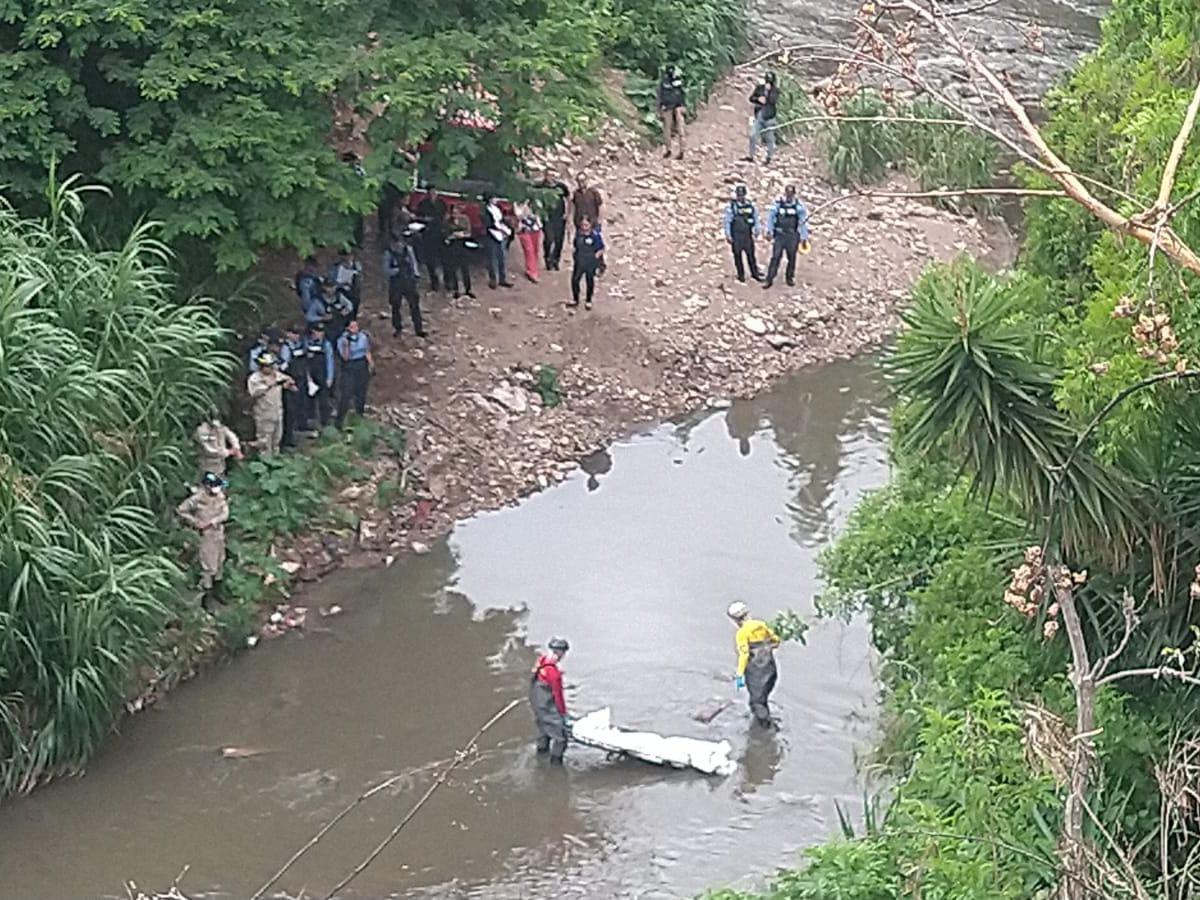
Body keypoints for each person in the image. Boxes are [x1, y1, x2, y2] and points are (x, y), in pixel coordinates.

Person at [176, 472, 230, 609]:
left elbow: (225, 513)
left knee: (220, 561)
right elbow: (181, 510)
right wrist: (195, 522)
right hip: (206, 536)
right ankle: (207, 597)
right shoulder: (197, 499)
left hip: (218, 533)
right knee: (208, 566)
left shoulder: (220, 497)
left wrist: (213, 521)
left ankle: (218, 590)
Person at [727, 601, 781, 728]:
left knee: (756, 702)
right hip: (771, 668)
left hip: (756, 672)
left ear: (735, 619)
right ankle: (765, 722)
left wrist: (739, 674)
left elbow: (744, 654)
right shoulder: (761, 625)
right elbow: (776, 641)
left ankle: (768, 731)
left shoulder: (742, 633)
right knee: (763, 698)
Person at [530, 637, 571, 764]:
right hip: (548, 707)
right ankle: (556, 765)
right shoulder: (554, 673)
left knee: (544, 731)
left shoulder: (541, 662)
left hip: (538, 705)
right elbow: (558, 696)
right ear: (560, 652)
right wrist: (563, 714)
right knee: (561, 738)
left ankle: (540, 756)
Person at [246, 352, 295, 456]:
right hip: (263, 414)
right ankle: (265, 463)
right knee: (264, 443)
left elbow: (289, 381)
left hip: (277, 413)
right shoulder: (254, 378)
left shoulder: (277, 375)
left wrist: (288, 383)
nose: (270, 368)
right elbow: (254, 393)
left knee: (276, 440)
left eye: (271, 365)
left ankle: (276, 461)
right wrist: (268, 385)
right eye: (267, 366)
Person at [763, 184, 810, 290]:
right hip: (780, 235)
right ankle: (769, 279)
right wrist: (769, 231)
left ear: (794, 194)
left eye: (791, 195)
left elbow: (803, 222)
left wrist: (804, 237)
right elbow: (771, 217)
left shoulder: (799, 207)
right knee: (775, 257)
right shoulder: (778, 205)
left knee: (792, 257)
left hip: (792, 235)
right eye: (787, 194)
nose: (789, 197)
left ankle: (790, 277)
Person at [383, 231, 425, 337]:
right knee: (395, 306)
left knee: (414, 305)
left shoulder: (408, 250)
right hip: (396, 282)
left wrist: (416, 274)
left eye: (400, 242)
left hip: (409, 280)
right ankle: (398, 328)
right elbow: (385, 269)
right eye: (396, 243)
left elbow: (413, 262)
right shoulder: (388, 254)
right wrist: (397, 271)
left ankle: (418, 328)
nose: (398, 245)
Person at [336, 318, 374, 427]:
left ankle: (359, 416)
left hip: (361, 364)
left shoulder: (362, 337)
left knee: (361, 392)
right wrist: (347, 344)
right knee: (346, 393)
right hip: (350, 366)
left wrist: (371, 364)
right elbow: (345, 357)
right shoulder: (342, 340)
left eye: (356, 326)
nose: (355, 329)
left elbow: (367, 351)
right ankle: (340, 420)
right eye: (352, 327)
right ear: (347, 328)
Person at [723, 184, 763, 283]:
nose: (740, 197)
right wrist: (728, 234)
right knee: (737, 256)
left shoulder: (750, 205)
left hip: (747, 234)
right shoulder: (732, 207)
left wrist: (757, 230)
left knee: (751, 255)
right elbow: (727, 221)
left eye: (742, 195)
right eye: (739, 195)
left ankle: (755, 274)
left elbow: (755, 218)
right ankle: (741, 275)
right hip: (736, 235)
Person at [279, 325, 310, 445]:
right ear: (288, 334)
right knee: (290, 410)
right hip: (290, 381)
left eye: (298, 334)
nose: (297, 336)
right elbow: (283, 366)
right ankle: (288, 438)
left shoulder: (301, 345)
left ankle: (298, 428)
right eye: (294, 333)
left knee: (301, 405)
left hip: (301, 379)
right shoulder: (285, 348)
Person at [415, 187, 448, 291]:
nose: (433, 194)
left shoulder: (441, 203)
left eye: (435, 192)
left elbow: (445, 215)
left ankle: (448, 281)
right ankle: (434, 282)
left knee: (444, 259)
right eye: (431, 193)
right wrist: (424, 220)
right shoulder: (423, 204)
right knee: (430, 260)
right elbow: (418, 217)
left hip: (440, 233)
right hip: (428, 234)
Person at [194, 407, 243, 477]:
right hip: (207, 465)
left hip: (220, 465)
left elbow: (230, 435)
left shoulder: (220, 427)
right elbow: (210, 449)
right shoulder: (202, 431)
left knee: (221, 482)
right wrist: (229, 452)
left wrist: (236, 447)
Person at [304, 323, 336, 429]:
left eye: (321, 332)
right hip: (311, 377)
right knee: (309, 401)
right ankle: (310, 422)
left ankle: (324, 422)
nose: (320, 334)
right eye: (317, 332)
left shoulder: (326, 345)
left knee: (324, 400)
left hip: (322, 376)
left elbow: (330, 361)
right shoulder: (307, 343)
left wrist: (330, 377)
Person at [569, 217, 605, 311]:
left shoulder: (595, 235)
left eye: (586, 225)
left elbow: (601, 248)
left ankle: (588, 300)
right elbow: (575, 245)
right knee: (575, 280)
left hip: (590, 262)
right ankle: (575, 299)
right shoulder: (578, 235)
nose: (584, 227)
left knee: (589, 281)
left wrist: (596, 256)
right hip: (579, 261)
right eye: (583, 225)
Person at [746, 72, 781, 165]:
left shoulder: (776, 91)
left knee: (770, 139)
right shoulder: (760, 88)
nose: (768, 83)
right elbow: (751, 98)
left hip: (769, 118)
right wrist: (758, 99)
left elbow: (773, 100)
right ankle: (751, 155)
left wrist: (767, 94)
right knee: (752, 135)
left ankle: (769, 157)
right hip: (759, 116)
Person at [539, 169, 570, 270]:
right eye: (548, 175)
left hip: (560, 216)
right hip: (547, 216)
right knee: (548, 238)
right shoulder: (541, 186)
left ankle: (556, 260)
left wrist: (567, 212)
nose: (550, 177)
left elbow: (568, 198)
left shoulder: (561, 186)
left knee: (559, 240)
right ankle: (547, 258)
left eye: (552, 175)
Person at [443, 207, 477, 299]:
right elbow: (445, 235)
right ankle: (455, 289)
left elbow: (469, 232)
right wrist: (452, 236)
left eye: (456, 213)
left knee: (465, 268)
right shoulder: (447, 221)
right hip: (453, 246)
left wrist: (462, 234)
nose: (455, 215)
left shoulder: (465, 219)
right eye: (453, 213)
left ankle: (468, 289)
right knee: (453, 268)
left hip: (463, 245)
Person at [656, 63, 687, 160]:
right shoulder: (677, 80)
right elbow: (682, 93)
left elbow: (660, 95)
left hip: (669, 106)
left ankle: (670, 150)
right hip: (676, 106)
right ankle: (681, 150)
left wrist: (660, 107)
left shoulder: (664, 82)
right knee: (679, 129)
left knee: (668, 129)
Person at [483, 194, 514, 289]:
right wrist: (500, 229)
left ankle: (502, 278)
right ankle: (493, 279)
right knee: (492, 258)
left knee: (502, 257)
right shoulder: (485, 210)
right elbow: (489, 224)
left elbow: (501, 219)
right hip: (492, 234)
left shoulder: (498, 208)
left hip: (501, 233)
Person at [328, 248, 362, 318]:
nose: (346, 258)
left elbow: (358, 281)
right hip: (340, 292)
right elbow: (331, 281)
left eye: (348, 255)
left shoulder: (357, 266)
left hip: (353, 293)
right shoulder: (335, 268)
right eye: (343, 256)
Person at [515, 200, 542, 283]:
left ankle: (533, 268)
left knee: (535, 250)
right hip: (524, 230)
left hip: (535, 228)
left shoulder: (536, 202)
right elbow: (518, 216)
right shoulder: (518, 204)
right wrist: (525, 206)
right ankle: (532, 272)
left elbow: (540, 210)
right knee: (529, 250)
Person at [295, 256, 324, 322]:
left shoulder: (314, 277)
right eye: (313, 266)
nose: (314, 269)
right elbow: (305, 296)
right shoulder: (305, 280)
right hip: (312, 304)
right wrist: (307, 308)